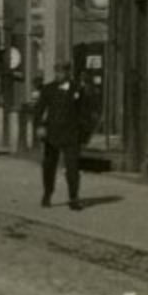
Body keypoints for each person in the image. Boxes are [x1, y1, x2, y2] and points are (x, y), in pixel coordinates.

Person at [33, 64, 92, 210]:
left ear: (68, 73)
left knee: (72, 167)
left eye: (61, 72)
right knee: (49, 166)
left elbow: (84, 112)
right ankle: (47, 194)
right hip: (52, 134)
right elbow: (39, 110)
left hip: (71, 134)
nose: (58, 75)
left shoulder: (77, 89)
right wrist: (40, 126)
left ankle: (73, 198)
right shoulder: (48, 89)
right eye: (56, 72)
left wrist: (83, 134)